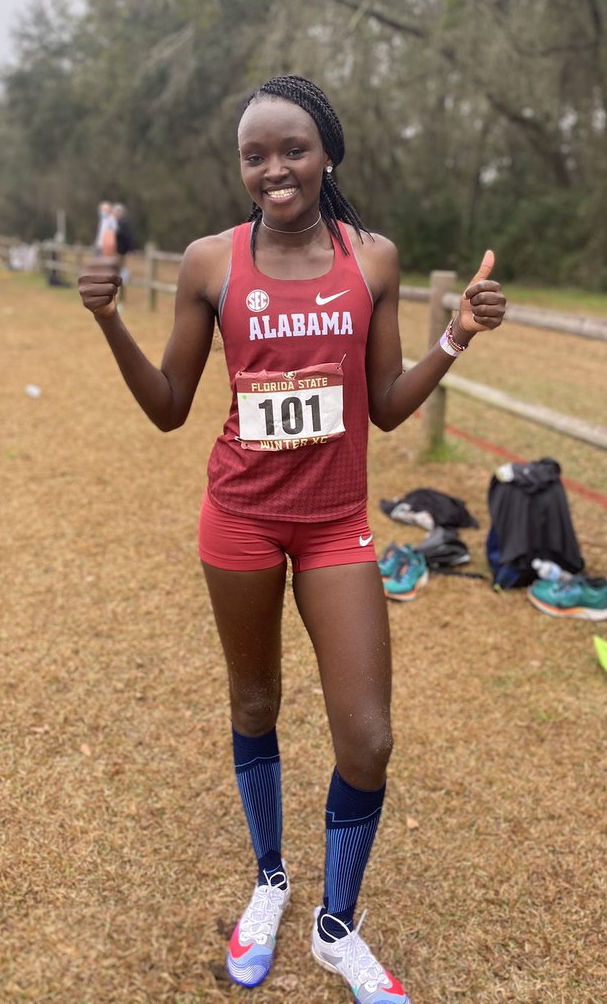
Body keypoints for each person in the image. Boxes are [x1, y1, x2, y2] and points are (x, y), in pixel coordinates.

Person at [78, 75, 506, 1001]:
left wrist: (458, 337)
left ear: (329, 154)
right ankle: (270, 880)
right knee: (256, 702)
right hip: (239, 515)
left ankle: (335, 926)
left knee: (369, 741)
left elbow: (387, 408)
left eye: (293, 149)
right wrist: (110, 322)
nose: (275, 169)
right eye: (255, 155)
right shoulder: (210, 263)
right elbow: (167, 409)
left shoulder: (374, 260)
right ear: (241, 167)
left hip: (336, 524)